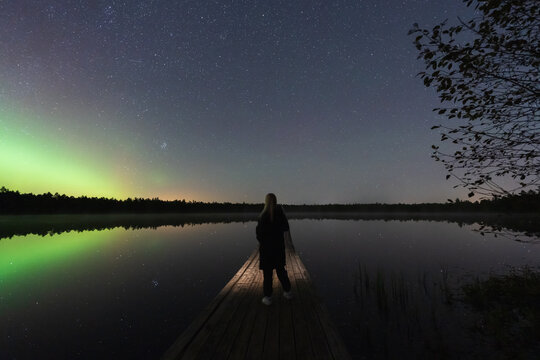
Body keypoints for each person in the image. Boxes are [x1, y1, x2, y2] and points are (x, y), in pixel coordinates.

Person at [256, 193, 293, 306]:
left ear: (266, 201)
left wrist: (262, 243)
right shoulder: (280, 213)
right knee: (281, 271)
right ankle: (287, 292)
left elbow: (259, 234)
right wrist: (289, 245)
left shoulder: (263, 215)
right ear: (276, 201)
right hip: (278, 248)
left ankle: (268, 297)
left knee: (267, 274)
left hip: (266, 250)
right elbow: (286, 229)